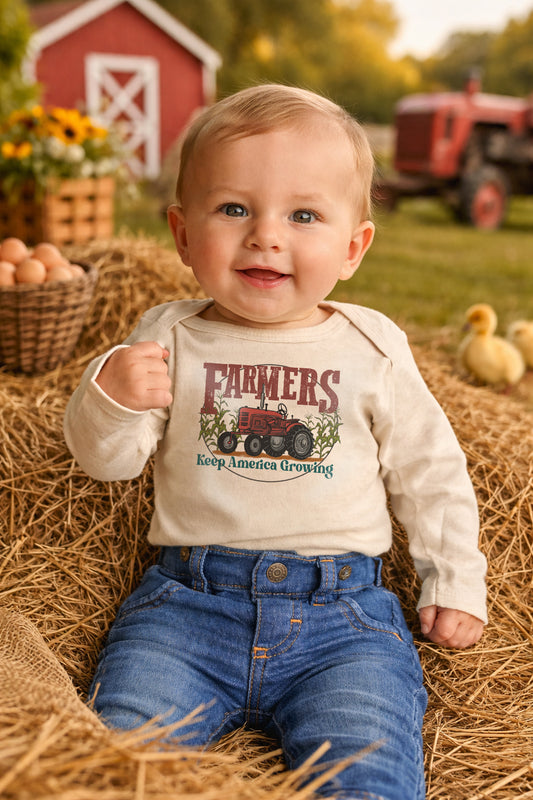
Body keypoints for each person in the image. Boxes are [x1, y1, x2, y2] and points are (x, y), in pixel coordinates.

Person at [64, 84, 487, 800]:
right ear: (182, 234)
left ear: (352, 248)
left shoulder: (372, 345)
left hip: (344, 625)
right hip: (185, 610)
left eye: (303, 215)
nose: (265, 235)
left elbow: (429, 471)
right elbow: (110, 463)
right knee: (116, 759)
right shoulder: (168, 333)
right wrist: (110, 396)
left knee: (368, 770)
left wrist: (454, 580)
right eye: (233, 209)